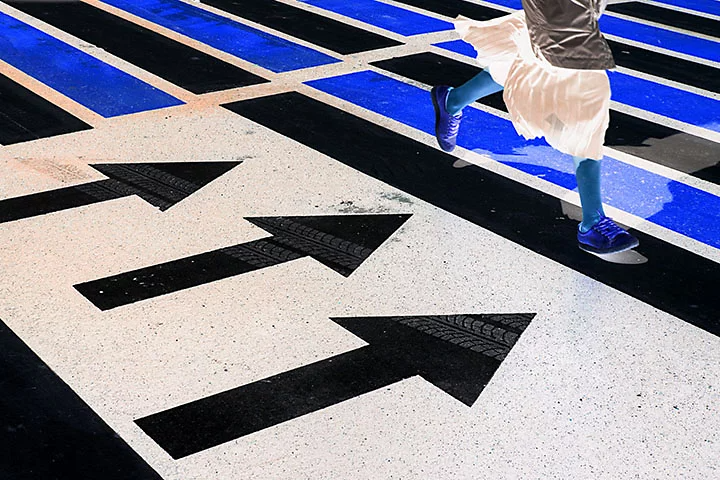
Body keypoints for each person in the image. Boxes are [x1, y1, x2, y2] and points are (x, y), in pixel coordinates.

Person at [431, 0, 639, 254]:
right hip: (564, 35)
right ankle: (593, 222)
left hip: (568, 29)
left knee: (522, 65)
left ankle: (452, 100)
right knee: (582, 118)